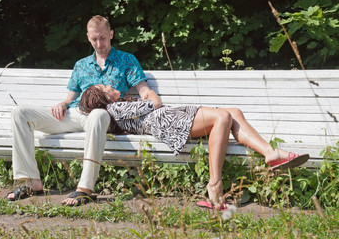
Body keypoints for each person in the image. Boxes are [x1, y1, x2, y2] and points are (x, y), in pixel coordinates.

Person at [7, 15, 162, 206]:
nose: (99, 43)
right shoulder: (81, 65)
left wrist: (153, 99)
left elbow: (143, 90)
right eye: (94, 39)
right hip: (76, 114)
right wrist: (62, 104)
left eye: (103, 38)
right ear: (88, 38)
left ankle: (84, 189)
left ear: (111, 34)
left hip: (104, 115)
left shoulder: (127, 60)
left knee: (97, 114)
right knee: (20, 113)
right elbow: (69, 98)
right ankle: (31, 181)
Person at [78, 84, 310, 210]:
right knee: (222, 117)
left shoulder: (118, 106)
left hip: (171, 116)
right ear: (103, 98)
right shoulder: (114, 109)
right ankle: (214, 185)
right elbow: (154, 103)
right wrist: (150, 94)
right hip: (167, 121)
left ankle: (271, 154)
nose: (110, 85)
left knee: (234, 113)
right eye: (104, 87)